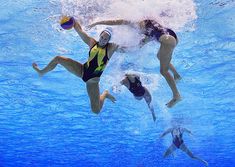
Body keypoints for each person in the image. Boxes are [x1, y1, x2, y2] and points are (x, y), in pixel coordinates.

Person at [32, 17, 126, 114]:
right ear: (100, 36)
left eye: (105, 39)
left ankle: (105, 94)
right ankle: (41, 72)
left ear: (108, 40)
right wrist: (72, 21)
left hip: (92, 81)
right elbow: (80, 30)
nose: (103, 40)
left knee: (96, 111)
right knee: (58, 58)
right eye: (102, 37)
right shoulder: (92, 43)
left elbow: (124, 44)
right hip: (81, 70)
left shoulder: (110, 48)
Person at [88, 19, 181, 108]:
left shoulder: (139, 23)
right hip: (171, 37)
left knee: (163, 71)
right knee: (160, 56)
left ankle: (176, 96)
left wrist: (97, 23)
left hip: (168, 40)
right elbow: (137, 47)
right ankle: (176, 75)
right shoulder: (149, 32)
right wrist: (116, 49)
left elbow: (116, 22)